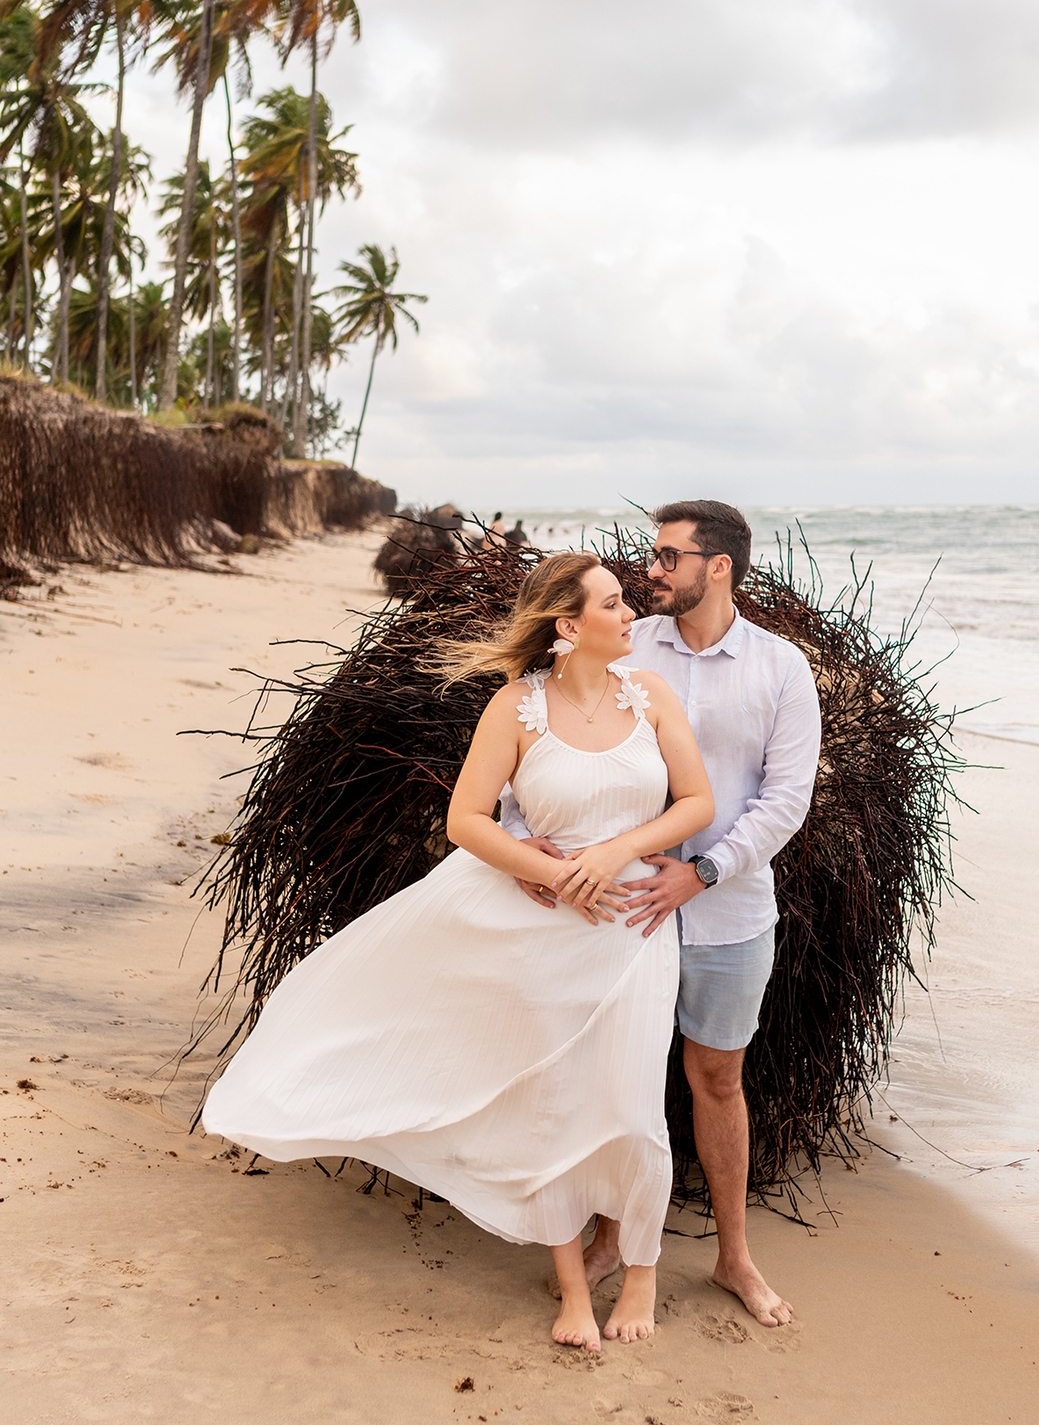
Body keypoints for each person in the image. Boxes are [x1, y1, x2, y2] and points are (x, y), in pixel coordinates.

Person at [202, 552, 714, 1355]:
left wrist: (616, 853)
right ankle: (575, 1287)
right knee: (553, 1100)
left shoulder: (652, 696)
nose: (631, 616)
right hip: (547, 929)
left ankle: (642, 1273)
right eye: (614, 604)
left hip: (636, 926)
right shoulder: (517, 707)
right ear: (568, 627)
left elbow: (696, 801)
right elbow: (467, 820)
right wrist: (547, 869)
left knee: (632, 1100)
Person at [507, 501, 821, 1328]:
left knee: (716, 1078)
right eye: (652, 556)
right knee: (618, 1071)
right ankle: (613, 1237)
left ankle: (734, 1256)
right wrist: (523, 841)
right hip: (611, 912)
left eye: (668, 556)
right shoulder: (625, 643)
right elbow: (540, 748)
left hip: (729, 909)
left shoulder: (781, 668)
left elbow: (786, 801)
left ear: (718, 566)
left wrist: (705, 871)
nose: (651, 570)